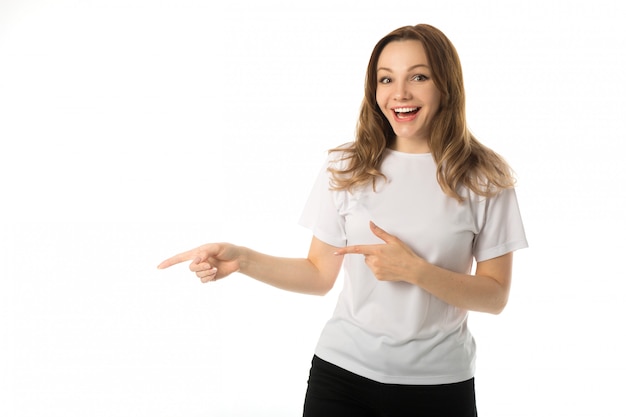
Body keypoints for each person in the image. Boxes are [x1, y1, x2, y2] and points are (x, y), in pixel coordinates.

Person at [157, 23, 528, 417]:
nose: (399, 93)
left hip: (438, 385)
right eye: (386, 79)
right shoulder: (348, 166)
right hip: (342, 377)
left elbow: (495, 296)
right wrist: (242, 260)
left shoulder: (484, 177)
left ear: (446, 86)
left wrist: (416, 271)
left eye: (418, 76)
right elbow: (319, 275)